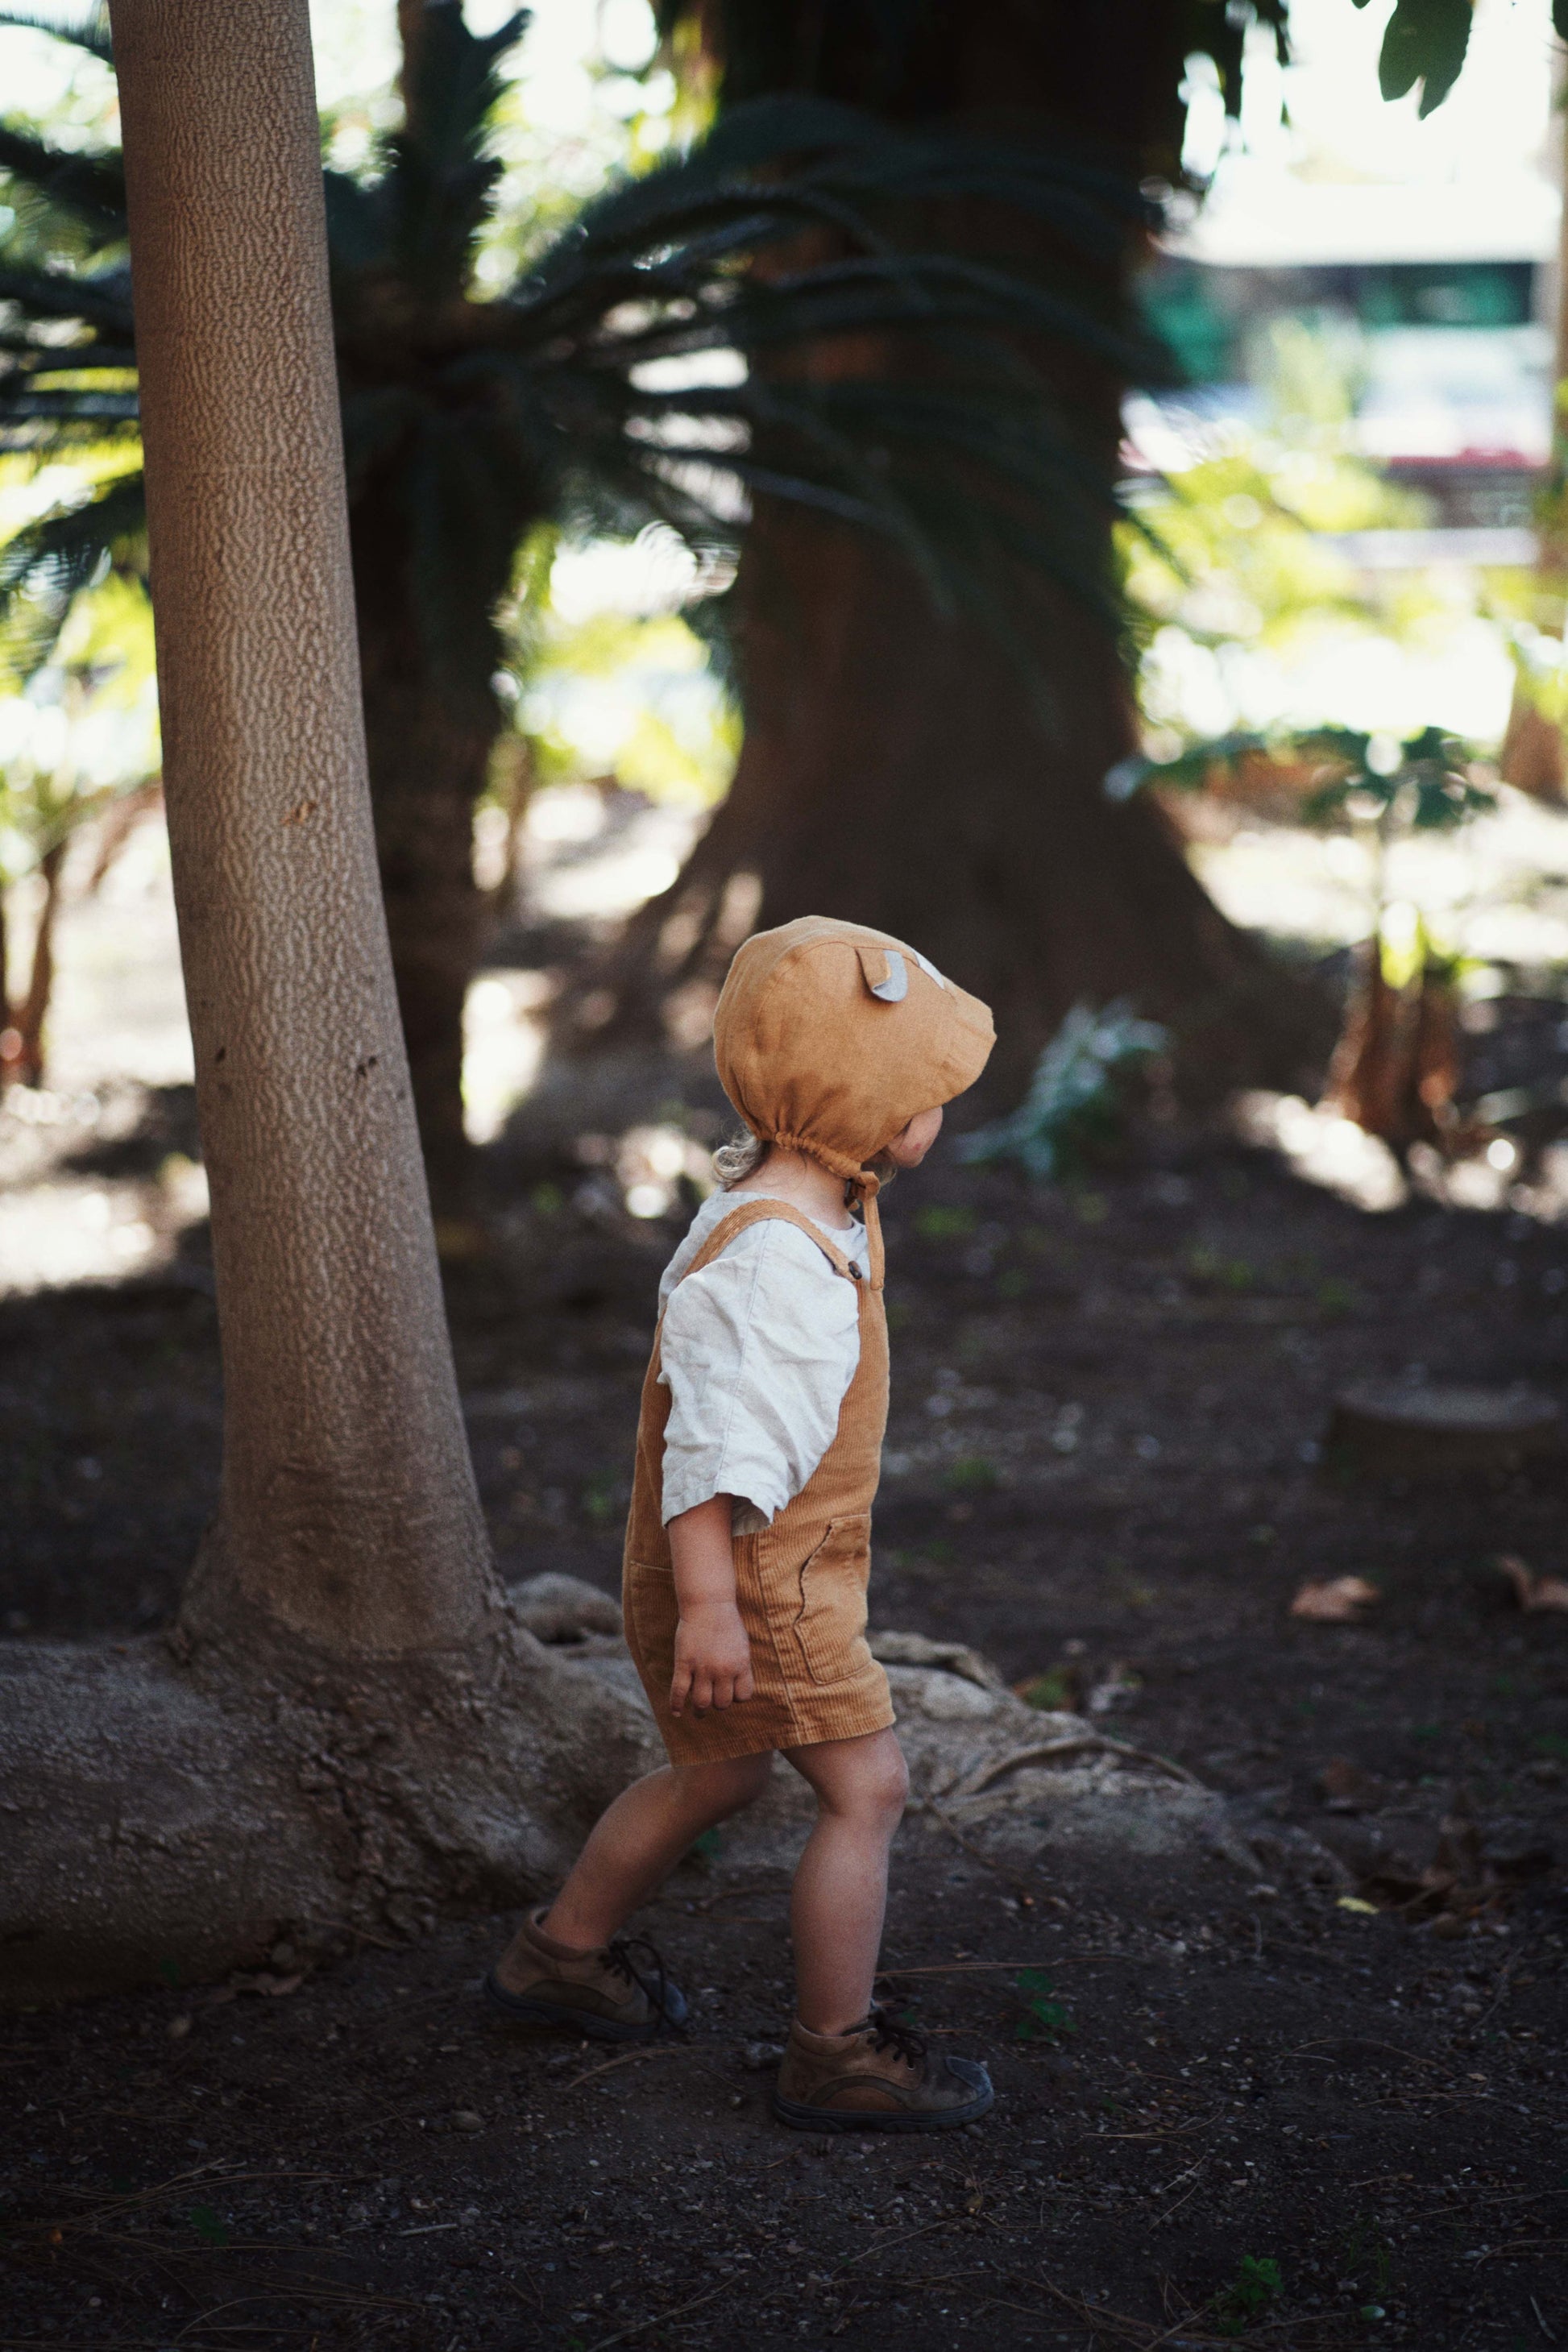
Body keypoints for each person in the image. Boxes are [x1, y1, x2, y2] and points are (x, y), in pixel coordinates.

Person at [486, 916, 995, 2130]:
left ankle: (559, 1956)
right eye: (927, 1089)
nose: (940, 1109)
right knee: (869, 1789)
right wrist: (713, 1610)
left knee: (715, 1775)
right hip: (755, 1580)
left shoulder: (808, 1199)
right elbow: (714, 1456)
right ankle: (836, 2052)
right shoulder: (775, 1264)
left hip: (754, 1570)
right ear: (866, 1106)